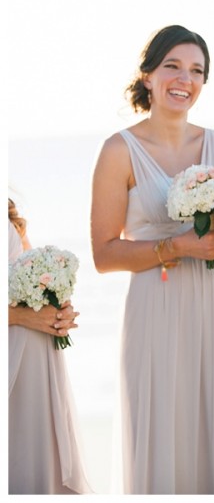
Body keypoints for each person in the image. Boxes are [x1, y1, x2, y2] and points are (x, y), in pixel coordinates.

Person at [90, 25, 214, 494]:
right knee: (156, 433)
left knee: (212, 429)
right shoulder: (119, 151)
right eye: (173, 67)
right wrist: (176, 247)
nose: (185, 79)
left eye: (196, 70)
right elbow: (103, 254)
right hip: (153, 310)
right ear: (148, 76)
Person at [7, 198, 92, 494]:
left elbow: (27, 277)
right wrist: (20, 316)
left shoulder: (7, 213)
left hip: (35, 362)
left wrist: (58, 308)